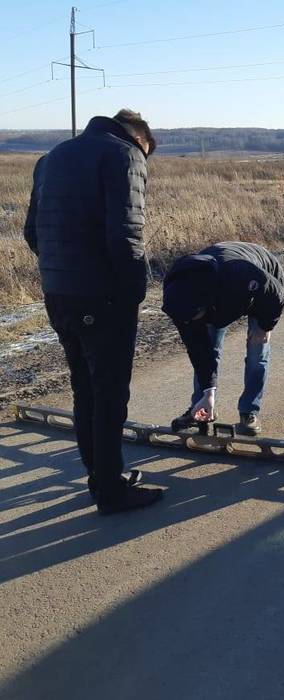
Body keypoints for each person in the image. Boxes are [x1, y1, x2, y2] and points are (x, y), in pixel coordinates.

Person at [23, 109, 163, 515]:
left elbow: (32, 232)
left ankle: (101, 477)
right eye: (147, 153)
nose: (146, 161)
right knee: (109, 394)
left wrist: (61, 269)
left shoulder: (51, 158)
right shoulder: (124, 155)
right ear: (141, 137)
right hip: (102, 296)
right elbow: (126, 232)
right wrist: (134, 291)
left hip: (58, 293)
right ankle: (111, 492)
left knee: (84, 387)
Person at [162, 241, 284, 436]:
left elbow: (274, 292)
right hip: (219, 296)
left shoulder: (239, 276)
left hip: (264, 280)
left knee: (257, 351)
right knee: (207, 349)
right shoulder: (179, 297)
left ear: (203, 305)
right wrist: (208, 391)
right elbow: (199, 351)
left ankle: (249, 412)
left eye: (194, 318)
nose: (191, 323)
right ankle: (201, 407)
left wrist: (266, 325)